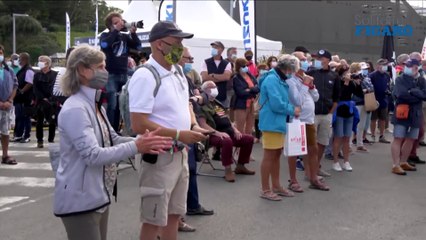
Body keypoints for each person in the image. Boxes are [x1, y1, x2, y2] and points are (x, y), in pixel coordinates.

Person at [53, 44, 172, 240]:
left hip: (97, 195)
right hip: (81, 200)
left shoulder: (93, 103)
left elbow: (112, 138)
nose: (105, 72)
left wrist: (147, 141)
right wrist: (136, 146)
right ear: (83, 70)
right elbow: (93, 155)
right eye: (100, 67)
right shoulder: (76, 108)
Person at [128, 21, 207, 240]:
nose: (180, 47)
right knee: (153, 220)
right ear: (159, 44)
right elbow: (138, 123)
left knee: (174, 215)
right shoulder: (145, 75)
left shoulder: (178, 71)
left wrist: (193, 125)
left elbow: (185, 106)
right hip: (159, 156)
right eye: (177, 42)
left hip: (179, 152)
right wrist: (179, 134)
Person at [258, 55, 301, 201]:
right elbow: (277, 104)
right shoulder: (272, 79)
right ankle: (265, 189)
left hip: (277, 122)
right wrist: (292, 109)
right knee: (269, 156)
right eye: (292, 70)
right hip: (271, 122)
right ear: (287, 68)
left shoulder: (277, 78)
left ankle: (275, 185)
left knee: (275, 155)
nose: (292, 73)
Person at [198, 81, 255, 182]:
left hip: (228, 132)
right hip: (211, 135)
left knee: (248, 139)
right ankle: (228, 169)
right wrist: (217, 133)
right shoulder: (202, 105)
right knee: (227, 140)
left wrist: (236, 130)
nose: (214, 89)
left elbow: (227, 119)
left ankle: (240, 166)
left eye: (214, 87)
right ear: (204, 91)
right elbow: (203, 125)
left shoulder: (217, 103)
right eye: (211, 88)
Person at [288, 51, 329, 191]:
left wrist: (311, 87)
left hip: (309, 119)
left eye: (307, 59)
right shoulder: (290, 79)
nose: (306, 62)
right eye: (302, 60)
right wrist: (306, 85)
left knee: (313, 149)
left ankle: (313, 177)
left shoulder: (305, 77)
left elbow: (316, 97)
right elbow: (296, 100)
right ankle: (293, 180)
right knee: (294, 151)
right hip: (296, 120)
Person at [100, 12, 141, 131]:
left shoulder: (124, 37)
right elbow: (105, 45)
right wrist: (115, 31)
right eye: (116, 22)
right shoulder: (105, 36)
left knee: (122, 104)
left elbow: (138, 47)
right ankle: (110, 130)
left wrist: (133, 34)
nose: (120, 24)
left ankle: (119, 130)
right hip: (111, 74)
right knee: (112, 105)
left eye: (121, 21)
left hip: (123, 74)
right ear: (110, 26)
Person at [307, 49, 340, 177]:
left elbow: (337, 96)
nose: (318, 60)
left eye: (321, 58)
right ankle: (310, 170)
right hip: (312, 114)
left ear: (327, 60)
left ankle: (317, 166)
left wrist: (331, 113)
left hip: (326, 113)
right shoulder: (310, 73)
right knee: (312, 143)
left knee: (322, 142)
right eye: (317, 58)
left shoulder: (334, 75)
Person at [390, 59, 426, 175]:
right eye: (406, 65)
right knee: (398, 138)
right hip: (402, 113)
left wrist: (412, 91)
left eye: (410, 66)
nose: (407, 67)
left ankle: (403, 161)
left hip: (415, 114)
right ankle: (395, 165)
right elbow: (401, 95)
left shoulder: (421, 80)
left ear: (416, 68)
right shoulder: (400, 79)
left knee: (411, 138)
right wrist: (417, 95)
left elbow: (424, 95)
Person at [331, 63, 362, 172]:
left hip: (349, 112)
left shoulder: (352, 83)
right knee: (338, 137)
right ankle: (335, 161)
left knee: (347, 137)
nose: (348, 74)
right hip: (339, 111)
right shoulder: (337, 82)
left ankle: (346, 161)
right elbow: (340, 95)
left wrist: (358, 83)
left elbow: (359, 94)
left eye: (348, 72)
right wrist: (346, 83)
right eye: (345, 73)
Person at [33, 56, 58, 148]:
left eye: (42, 61)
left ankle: (51, 139)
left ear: (47, 63)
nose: (40, 63)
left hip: (51, 101)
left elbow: (55, 87)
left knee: (52, 121)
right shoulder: (37, 75)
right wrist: (42, 97)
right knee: (39, 121)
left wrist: (50, 98)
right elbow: (35, 88)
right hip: (40, 101)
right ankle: (40, 140)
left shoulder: (55, 74)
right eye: (39, 61)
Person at [406, 52, 426, 165]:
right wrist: (418, 93)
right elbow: (402, 92)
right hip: (406, 108)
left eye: (419, 61)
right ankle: (406, 155)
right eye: (416, 60)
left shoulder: (421, 74)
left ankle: (412, 153)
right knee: (407, 133)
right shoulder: (405, 73)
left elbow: (424, 93)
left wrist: (415, 93)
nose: (418, 63)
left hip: (418, 107)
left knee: (420, 132)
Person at [0, 44, 18, 165]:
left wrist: (10, 100)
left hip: (7, 107)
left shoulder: (9, 70)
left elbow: (15, 86)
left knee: (5, 132)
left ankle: (5, 155)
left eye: (0, 53)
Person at [200, 41, 232, 107]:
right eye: (212, 47)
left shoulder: (226, 63)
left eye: (216, 47)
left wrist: (213, 75)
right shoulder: (206, 62)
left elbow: (226, 77)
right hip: (207, 97)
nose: (213, 49)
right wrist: (221, 77)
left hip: (222, 96)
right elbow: (205, 77)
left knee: (222, 115)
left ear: (222, 50)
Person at [232, 58, 259, 135]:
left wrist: (249, 89)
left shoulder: (250, 75)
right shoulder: (236, 78)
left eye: (247, 65)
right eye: (244, 66)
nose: (246, 67)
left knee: (249, 127)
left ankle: (248, 143)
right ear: (239, 67)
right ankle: (238, 145)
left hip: (251, 104)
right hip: (241, 105)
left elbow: (257, 88)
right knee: (239, 127)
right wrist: (252, 90)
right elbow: (240, 92)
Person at [352, 62, 375, 152]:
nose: (365, 70)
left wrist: (366, 90)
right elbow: (358, 90)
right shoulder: (354, 78)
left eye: (366, 69)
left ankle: (360, 144)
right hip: (357, 102)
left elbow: (371, 88)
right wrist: (365, 89)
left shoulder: (367, 78)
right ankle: (351, 144)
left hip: (365, 102)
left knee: (362, 125)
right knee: (354, 124)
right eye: (363, 69)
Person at [12, 52, 34, 143]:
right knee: (19, 117)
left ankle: (26, 136)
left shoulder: (28, 70)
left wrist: (21, 91)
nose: (18, 60)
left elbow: (30, 83)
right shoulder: (22, 70)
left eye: (19, 58)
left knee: (25, 117)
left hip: (25, 98)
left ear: (24, 59)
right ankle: (18, 135)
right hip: (19, 98)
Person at [369, 59, 391, 143]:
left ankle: (382, 135)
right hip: (374, 99)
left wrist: (388, 90)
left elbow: (388, 85)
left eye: (386, 65)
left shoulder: (387, 75)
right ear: (378, 65)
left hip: (384, 100)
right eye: (383, 65)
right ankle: (372, 135)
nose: (384, 67)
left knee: (383, 119)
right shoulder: (372, 75)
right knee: (373, 118)